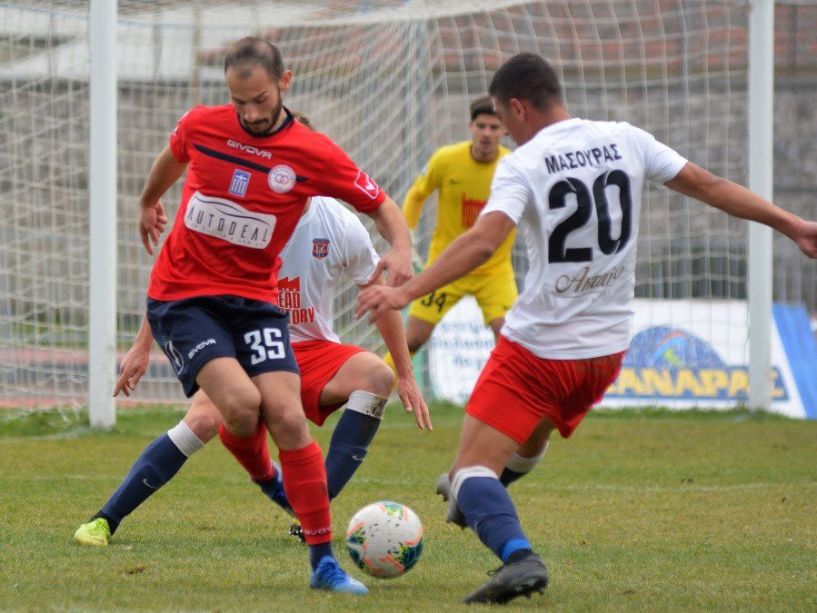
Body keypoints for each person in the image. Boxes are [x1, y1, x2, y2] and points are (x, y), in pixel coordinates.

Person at [356, 53, 817, 604]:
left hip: (538, 348)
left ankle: (516, 552)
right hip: (606, 354)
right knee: (529, 437)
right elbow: (710, 184)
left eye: (503, 119)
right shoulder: (627, 138)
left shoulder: (524, 164)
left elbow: (483, 242)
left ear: (517, 108)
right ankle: (481, 497)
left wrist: (404, 292)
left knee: (467, 473)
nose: (504, 133)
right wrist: (793, 224)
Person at [121, 37, 415, 596]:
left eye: (259, 100)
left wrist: (400, 248)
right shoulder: (203, 125)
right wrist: (146, 200)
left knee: (288, 417)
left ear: (285, 82)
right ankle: (266, 476)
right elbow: (173, 155)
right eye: (240, 102)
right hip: (185, 298)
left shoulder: (312, 152)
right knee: (239, 407)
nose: (251, 114)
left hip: (254, 300)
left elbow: (379, 203)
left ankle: (324, 565)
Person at [73, 189, 430, 547]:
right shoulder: (237, 216)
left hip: (309, 350)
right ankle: (105, 519)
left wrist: (406, 374)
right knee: (202, 421)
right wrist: (142, 345)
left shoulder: (340, 224)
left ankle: (313, 512)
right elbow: (176, 275)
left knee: (377, 376)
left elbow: (380, 296)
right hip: (241, 346)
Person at [383, 97, 516, 374]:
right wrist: (406, 238)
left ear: (504, 130)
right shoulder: (446, 159)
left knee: (508, 338)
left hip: (494, 271)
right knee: (413, 338)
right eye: (481, 126)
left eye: (494, 127)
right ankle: (374, 388)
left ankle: (504, 399)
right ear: (470, 127)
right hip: (446, 266)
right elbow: (417, 194)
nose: (487, 133)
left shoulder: (513, 166)